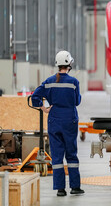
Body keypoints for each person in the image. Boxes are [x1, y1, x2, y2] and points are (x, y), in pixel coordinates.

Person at [32, 51, 85, 196]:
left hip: (54, 120)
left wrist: (44, 108)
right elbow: (77, 101)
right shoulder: (74, 82)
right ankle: (75, 187)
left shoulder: (49, 81)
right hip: (69, 120)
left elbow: (35, 96)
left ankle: (60, 189)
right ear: (69, 64)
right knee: (71, 155)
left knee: (57, 156)